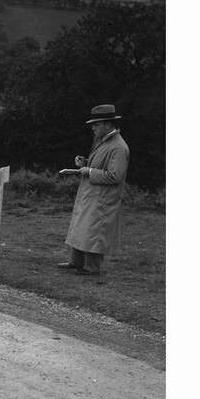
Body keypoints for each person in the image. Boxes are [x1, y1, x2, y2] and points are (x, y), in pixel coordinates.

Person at [59, 104, 130, 275]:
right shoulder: (103, 141)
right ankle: (76, 262)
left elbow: (115, 176)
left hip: (103, 198)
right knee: (82, 228)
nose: (93, 128)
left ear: (107, 124)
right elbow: (101, 165)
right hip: (92, 194)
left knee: (95, 231)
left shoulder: (119, 147)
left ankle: (92, 268)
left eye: (96, 124)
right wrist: (85, 163)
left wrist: (90, 171)